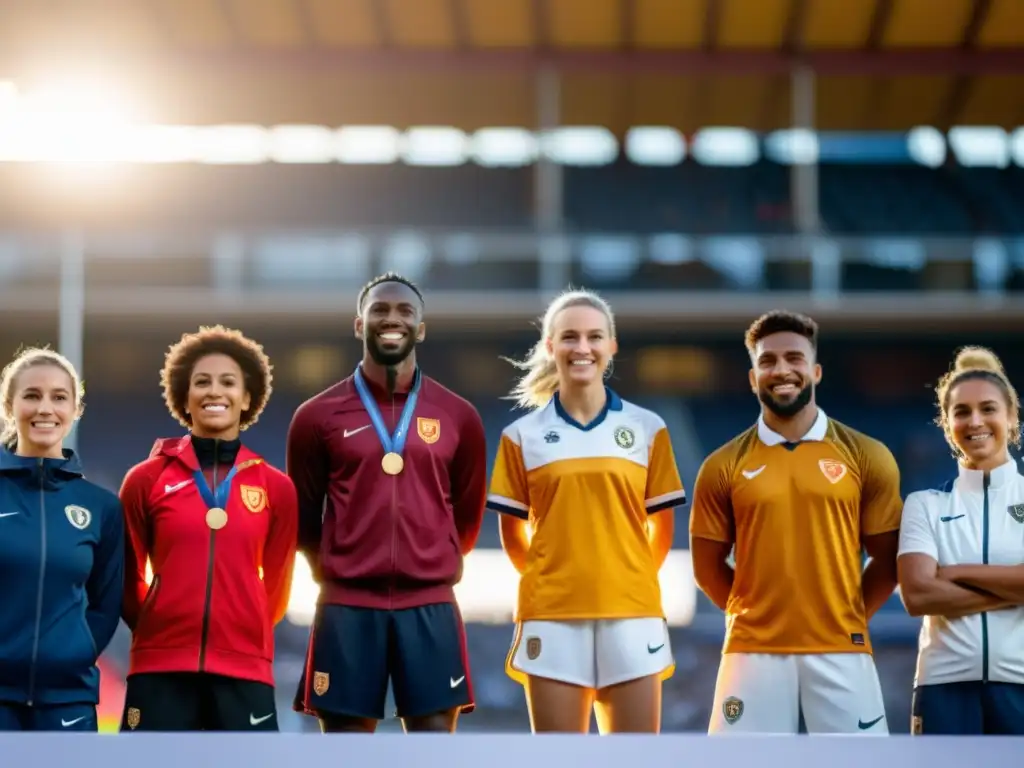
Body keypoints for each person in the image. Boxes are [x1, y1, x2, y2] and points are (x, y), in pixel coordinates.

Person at [289, 272, 487, 734]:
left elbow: (468, 517)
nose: (391, 319)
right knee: (347, 753)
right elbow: (304, 517)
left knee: (432, 749)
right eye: (379, 310)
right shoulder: (316, 416)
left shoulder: (459, 415)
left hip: (430, 605)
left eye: (404, 312)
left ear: (421, 328)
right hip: (347, 606)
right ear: (359, 325)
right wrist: (342, 568)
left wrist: (430, 560)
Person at [689, 310, 903, 735]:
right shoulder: (722, 465)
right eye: (767, 361)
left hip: (843, 649)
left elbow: (888, 558)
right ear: (753, 377)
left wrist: (847, 615)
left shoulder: (867, 454)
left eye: (794, 358)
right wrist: (757, 614)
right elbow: (706, 567)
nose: (781, 370)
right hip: (752, 652)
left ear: (815, 371)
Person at [487, 289, 685, 734]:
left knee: (634, 763)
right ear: (549, 346)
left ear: (612, 346)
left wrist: (623, 577)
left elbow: (661, 530)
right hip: (552, 617)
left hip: (633, 613)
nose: (583, 347)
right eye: (570, 337)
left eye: (595, 336)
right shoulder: (521, 436)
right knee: (560, 762)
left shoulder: (648, 427)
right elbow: (513, 537)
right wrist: (554, 578)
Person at [118, 326, 298, 732]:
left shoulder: (277, 488)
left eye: (228, 382)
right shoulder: (144, 480)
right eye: (202, 382)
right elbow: (128, 581)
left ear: (247, 397)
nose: (215, 392)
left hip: (244, 670)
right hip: (159, 667)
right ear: (184, 396)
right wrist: (160, 627)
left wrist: (240, 631)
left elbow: (276, 590)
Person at [898, 346, 1024, 735]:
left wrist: (954, 572)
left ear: (1011, 416)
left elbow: (935, 584)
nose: (975, 421)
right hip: (943, 688)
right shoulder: (924, 504)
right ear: (946, 423)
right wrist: (1014, 586)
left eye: (988, 408)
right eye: (961, 412)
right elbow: (918, 596)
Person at [0, 347, 124, 732]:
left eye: (59, 397)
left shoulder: (101, 507)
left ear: (76, 409)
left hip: (68, 698)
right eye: (32, 395)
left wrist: (78, 652)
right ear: (9, 405)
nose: (45, 408)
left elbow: (108, 602)